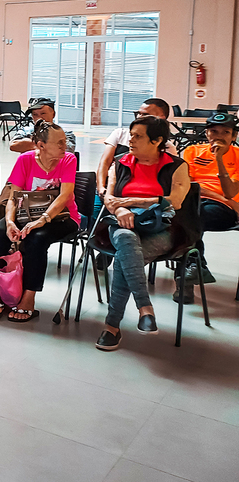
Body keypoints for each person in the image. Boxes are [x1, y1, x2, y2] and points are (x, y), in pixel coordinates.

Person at [95, 116, 190, 351]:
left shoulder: (176, 166)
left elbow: (175, 202)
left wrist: (130, 201)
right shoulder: (120, 162)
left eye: (138, 136)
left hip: (163, 229)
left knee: (124, 260)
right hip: (123, 225)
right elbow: (109, 197)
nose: (131, 140)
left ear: (157, 141)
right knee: (126, 241)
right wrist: (120, 210)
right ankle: (144, 309)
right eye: (131, 135)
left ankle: (112, 326)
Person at [0, 121, 79, 321]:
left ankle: (29, 297)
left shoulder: (68, 160)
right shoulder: (25, 160)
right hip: (25, 214)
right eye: (59, 142)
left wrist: (43, 219)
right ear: (41, 145)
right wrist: (9, 222)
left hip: (62, 216)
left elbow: (65, 196)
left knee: (36, 238)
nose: (65, 145)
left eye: (65, 141)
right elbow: (13, 196)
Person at [178, 110, 239, 300]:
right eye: (214, 131)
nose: (218, 136)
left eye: (225, 132)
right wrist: (221, 197)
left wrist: (219, 159)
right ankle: (194, 266)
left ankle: (187, 277)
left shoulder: (238, 156)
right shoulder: (192, 151)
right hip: (199, 202)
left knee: (190, 218)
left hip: (223, 211)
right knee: (185, 216)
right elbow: (188, 185)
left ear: (234, 136)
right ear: (206, 133)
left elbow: (230, 191)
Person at [96, 98, 175, 200]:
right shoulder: (120, 134)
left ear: (161, 118)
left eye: (145, 115)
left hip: (142, 192)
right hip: (110, 187)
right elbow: (104, 162)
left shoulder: (166, 147)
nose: (138, 117)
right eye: (138, 113)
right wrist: (101, 188)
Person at [10, 98, 76, 153]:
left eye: (43, 113)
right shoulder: (25, 131)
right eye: (35, 114)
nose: (39, 118)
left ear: (53, 114)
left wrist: (29, 144)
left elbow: (66, 151)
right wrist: (51, 145)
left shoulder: (66, 134)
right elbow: (13, 146)